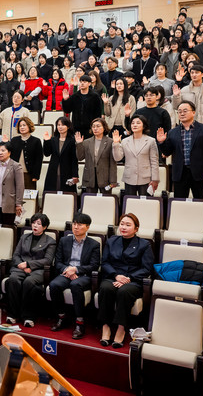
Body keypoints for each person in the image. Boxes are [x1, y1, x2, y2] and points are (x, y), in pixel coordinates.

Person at [98, 213, 154, 348]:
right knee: (106, 288)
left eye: (128, 225)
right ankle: (105, 326)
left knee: (124, 291)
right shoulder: (112, 241)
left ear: (136, 229)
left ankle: (121, 328)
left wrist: (128, 278)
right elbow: (105, 262)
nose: (123, 227)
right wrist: (116, 275)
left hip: (133, 279)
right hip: (113, 276)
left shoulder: (144, 244)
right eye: (122, 224)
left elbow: (147, 268)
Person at [49, 212, 101, 339]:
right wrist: (68, 270)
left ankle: (79, 322)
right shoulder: (64, 240)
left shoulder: (94, 244)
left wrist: (76, 269)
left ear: (87, 227)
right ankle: (62, 317)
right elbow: (58, 262)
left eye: (80, 224)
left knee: (75, 285)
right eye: (74, 224)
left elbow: (94, 266)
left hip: (83, 275)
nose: (76, 227)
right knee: (54, 285)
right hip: (66, 272)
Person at [4, 213, 56, 328]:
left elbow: (47, 260)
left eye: (39, 224)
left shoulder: (50, 241)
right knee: (13, 279)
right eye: (33, 223)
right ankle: (13, 314)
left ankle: (28, 316)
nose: (35, 226)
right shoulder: (24, 237)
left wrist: (29, 265)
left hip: (38, 271)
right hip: (21, 268)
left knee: (29, 282)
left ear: (45, 227)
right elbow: (16, 255)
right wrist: (22, 265)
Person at [156, 101, 203, 199]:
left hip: (199, 173)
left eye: (185, 111)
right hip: (180, 173)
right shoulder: (173, 132)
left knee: (201, 201)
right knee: (179, 202)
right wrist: (162, 142)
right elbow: (167, 152)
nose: (182, 113)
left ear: (193, 112)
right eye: (179, 112)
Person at [112, 115, 159, 196]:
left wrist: (155, 179)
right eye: (133, 123)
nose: (135, 125)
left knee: (145, 202)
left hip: (146, 178)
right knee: (130, 201)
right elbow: (117, 158)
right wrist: (116, 144)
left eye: (138, 123)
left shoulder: (151, 141)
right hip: (129, 177)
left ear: (144, 126)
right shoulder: (125, 141)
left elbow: (154, 161)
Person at [173, 64, 203, 131]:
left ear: (202, 74)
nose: (194, 75)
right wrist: (176, 96)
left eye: (196, 73)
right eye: (192, 73)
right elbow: (176, 107)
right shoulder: (184, 90)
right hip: (188, 126)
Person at [75, 118, 116, 193]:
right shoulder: (87, 142)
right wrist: (79, 144)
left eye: (98, 126)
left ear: (104, 128)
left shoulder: (110, 142)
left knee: (106, 198)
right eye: (93, 126)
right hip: (89, 177)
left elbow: (112, 163)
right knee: (89, 198)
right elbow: (80, 157)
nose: (95, 128)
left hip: (105, 178)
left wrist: (113, 181)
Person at [42, 117, 78, 193]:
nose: (60, 127)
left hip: (68, 172)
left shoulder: (72, 141)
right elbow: (47, 154)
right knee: (52, 192)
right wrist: (46, 141)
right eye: (58, 125)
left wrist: (75, 175)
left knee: (68, 193)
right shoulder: (53, 139)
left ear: (68, 127)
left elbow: (74, 159)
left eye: (63, 125)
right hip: (53, 170)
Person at [7, 117, 43, 190]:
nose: (22, 127)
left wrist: (36, 175)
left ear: (29, 126)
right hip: (15, 173)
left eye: (24, 125)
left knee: (28, 195)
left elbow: (38, 159)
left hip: (29, 175)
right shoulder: (14, 140)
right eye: (20, 126)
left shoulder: (36, 141)